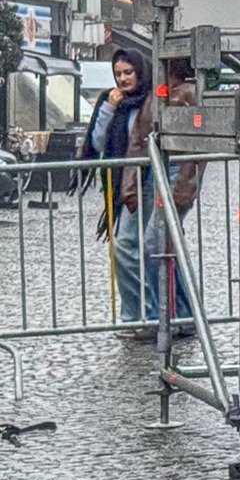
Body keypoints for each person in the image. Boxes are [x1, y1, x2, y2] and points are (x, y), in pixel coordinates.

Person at [120, 56, 203, 331]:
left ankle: (167, 317)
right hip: (154, 170)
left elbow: (196, 146)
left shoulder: (190, 93)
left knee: (157, 245)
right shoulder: (159, 93)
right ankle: (177, 315)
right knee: (160, 246)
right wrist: (130, 184)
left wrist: (184, 186)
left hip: (173, 170)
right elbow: (138, 141)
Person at [83, 48, 150, 326]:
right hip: (122, 187)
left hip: (147, 183)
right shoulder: (110, 102)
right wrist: (108, 109)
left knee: (142, 249)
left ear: (140, 72)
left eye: (128, 72)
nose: (122, 79)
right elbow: (97, 144)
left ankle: (145, 315)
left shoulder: (150, 101)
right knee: (129, 249)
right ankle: (137, 314)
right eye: (118, 74)